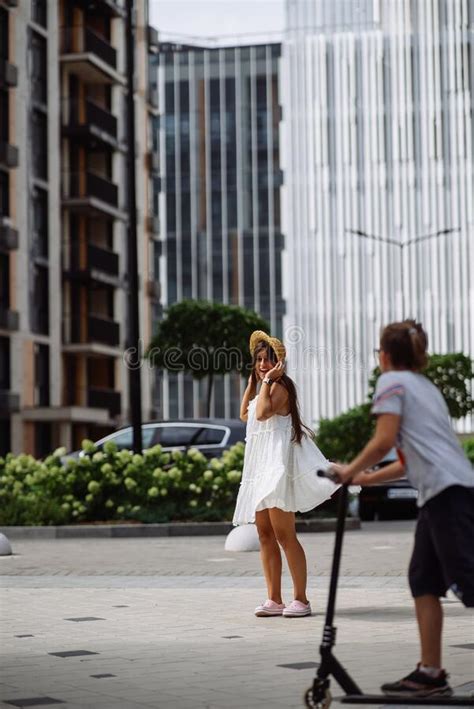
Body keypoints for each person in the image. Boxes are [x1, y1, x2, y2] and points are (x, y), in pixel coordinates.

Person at [333, 320, 474, 698]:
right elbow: (406, 460)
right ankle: (430, 673)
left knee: (468, 580)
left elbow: (383, 441)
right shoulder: (426, 388)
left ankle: (430, 671)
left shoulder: (390, 382)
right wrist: (363, 478)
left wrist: (350, 469)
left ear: (386, 355)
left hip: (448, 494)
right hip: (445, 492)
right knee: (423, 580)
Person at [233, 330, 338, 618]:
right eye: (259, 360)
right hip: (259, 467)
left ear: (280, 362)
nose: (263, 364)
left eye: (268, 360)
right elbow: (246, 413)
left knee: (284, 534)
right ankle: (274, 599)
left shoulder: (281, 388)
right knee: (264, 534)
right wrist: (254, 382)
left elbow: (264, 413)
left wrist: (265, 381)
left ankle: (301, 600)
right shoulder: (263, 387)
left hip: (276, 468)